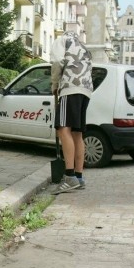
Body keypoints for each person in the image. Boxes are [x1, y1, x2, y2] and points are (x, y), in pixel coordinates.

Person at [50, 31, 93, 194]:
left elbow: (57, 61)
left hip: (70, 87)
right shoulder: (83, 46)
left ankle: (69, 177)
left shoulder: (62, 40)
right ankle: (79, 177)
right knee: (77, 133)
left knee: (63, 129)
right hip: (86, 90)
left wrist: (54, 84)